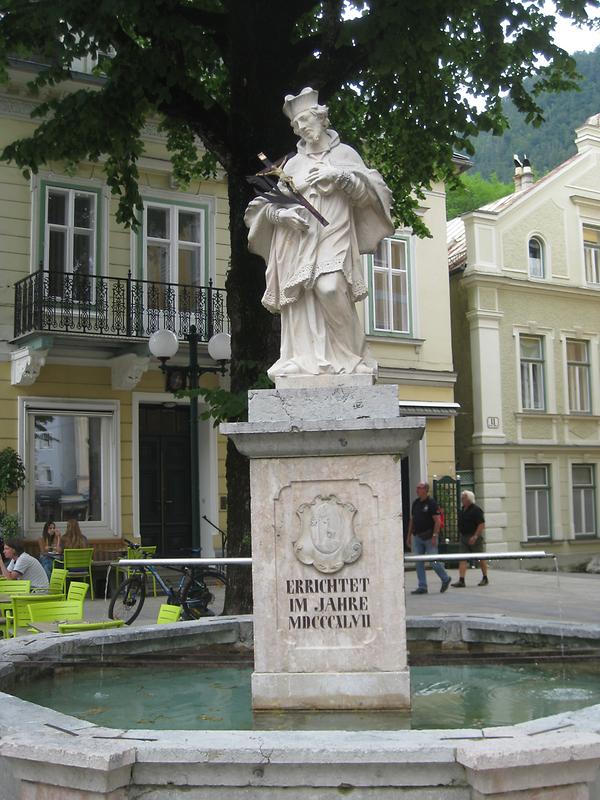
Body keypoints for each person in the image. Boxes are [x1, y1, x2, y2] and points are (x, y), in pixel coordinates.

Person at [245, 86, 395, 380]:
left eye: (305, 121)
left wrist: (338, 176)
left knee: (330, 288)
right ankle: (303, 359)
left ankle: (354, 357)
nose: (301, 128)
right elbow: (265, 205)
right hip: (298, 242)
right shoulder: (294, 164)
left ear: (321, 118)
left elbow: (369, 196)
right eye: (296, 125)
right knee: (302, 301)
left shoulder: (344, 154)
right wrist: (283, 214)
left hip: (334, 233)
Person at [406, 481, 451, 594]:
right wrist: (409, 536)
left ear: (426, 490)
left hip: (429, 536)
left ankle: (445, 578)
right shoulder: (415, 503)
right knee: (418, 562)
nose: (417, 490)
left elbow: (437, 521)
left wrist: (435, 536)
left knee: (433, 561)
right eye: (417, 488)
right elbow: (412, 520)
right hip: (417, 537)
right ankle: (422, 586)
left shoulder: (431, 503)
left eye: (420, 488)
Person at [452, 490, 488, 587]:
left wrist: (475, 536)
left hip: (474, 536)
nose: (462, 499)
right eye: (462, 497)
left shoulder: (476, 510)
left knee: (480, 558)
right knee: (462, 558)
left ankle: (485, 577)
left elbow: (481, 524)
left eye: (464, 498)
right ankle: (461, 580)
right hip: (464, 537)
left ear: (469, 499)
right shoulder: (462, 509)